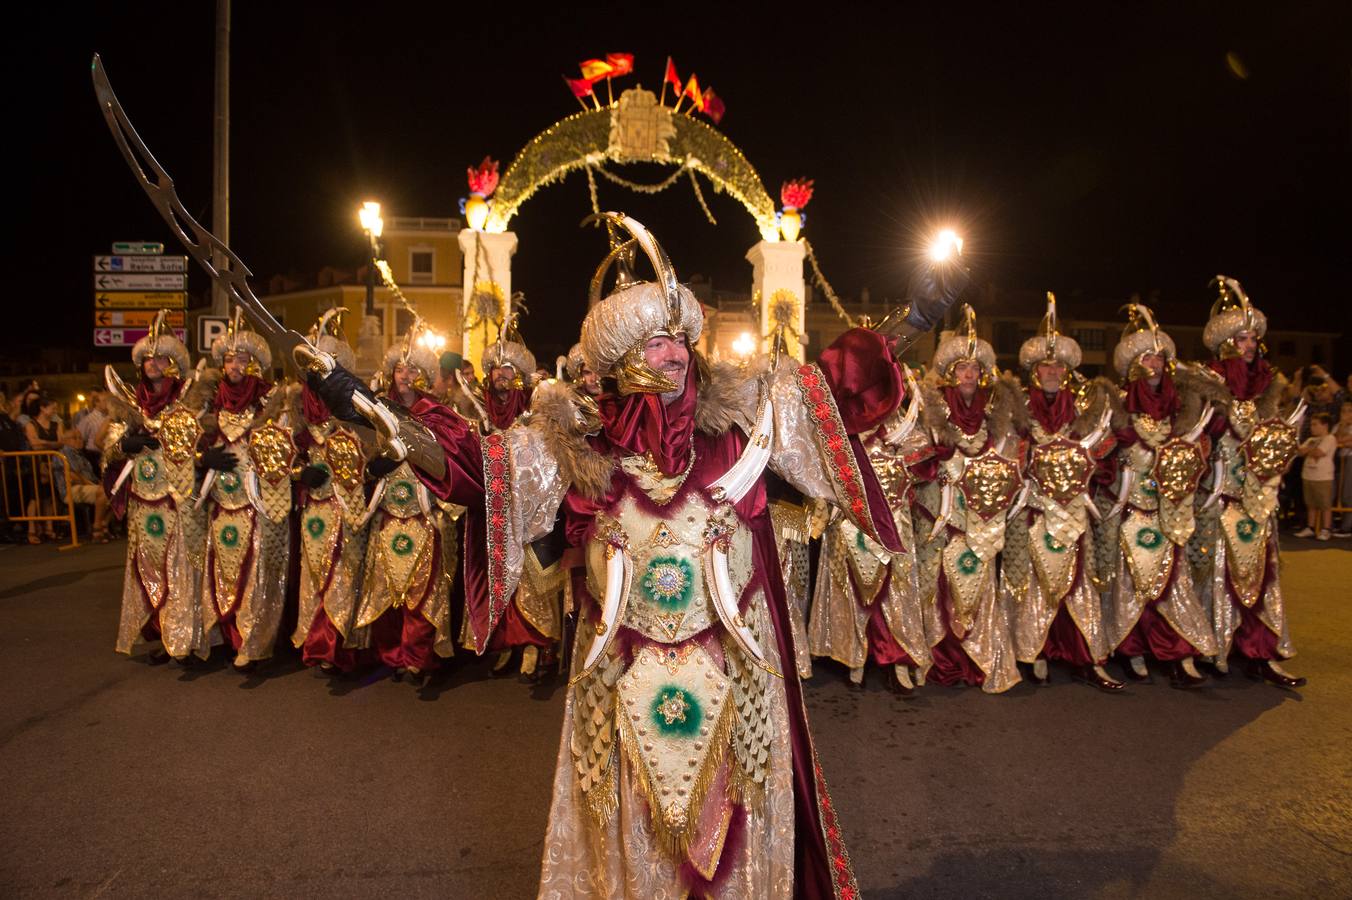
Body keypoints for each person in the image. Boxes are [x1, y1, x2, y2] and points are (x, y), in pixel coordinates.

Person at [308, 212, 966, 897]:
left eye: (680, 339)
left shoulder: (749, 425)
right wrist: (370, 413)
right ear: (619, 360)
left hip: (740, 681)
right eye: (656, 344)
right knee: (637, 840)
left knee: (737, 843)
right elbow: (476, 469)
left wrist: (912, 322)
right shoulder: (575, 447)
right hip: (620, 683)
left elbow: (838, 390)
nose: (676, 354)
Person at [1004, 293, 1123, 691]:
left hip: (1074, 513)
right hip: (1034, 512)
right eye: (1045, 366)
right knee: (1034, 582)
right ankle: (1031, 651)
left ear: (1067, 370)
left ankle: (1087, 656)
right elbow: (1004, 460)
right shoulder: (1017, 409)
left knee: (1079, 583)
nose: (1052, 371)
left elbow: (1104, 454)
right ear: (1035, 371)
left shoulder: (1085, 410)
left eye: (1057, 366)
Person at [1099, 304, 1223, 687]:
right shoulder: (1116, 408)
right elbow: (1099, 460)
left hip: (1171, 512)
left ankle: (1177, 652)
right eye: (1146, 357)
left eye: (1159, 357)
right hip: (1130, 509)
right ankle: (1132, 649)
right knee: (1131, 581)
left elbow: (1204, 442)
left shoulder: (1184, 410)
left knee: (1172, 583)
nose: (1153, 364)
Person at [1193, 275, 1304, 687]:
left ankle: (1261, 650)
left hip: (1258, 495)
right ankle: (1216, 645)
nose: (1249, 344)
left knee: (1261, 570)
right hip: (1219, 494)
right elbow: (1194, 442)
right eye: (1241, 339)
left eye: (1253, 338)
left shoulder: (1271, 385)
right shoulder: (1208, 384)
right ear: (1227, 344)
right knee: (1219, 570)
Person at [909, 305, 1024, 693]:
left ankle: (982, 660)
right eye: (961, 368)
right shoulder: (931, 408)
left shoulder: (997, 413)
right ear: (950, 373)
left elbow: (1008, 460)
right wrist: (937, 463)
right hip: (939, 514)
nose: (969, 374)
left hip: (981, 516)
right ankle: (934, 660)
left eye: (974, 368)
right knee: (935, 584)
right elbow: (916, 455)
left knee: (977, 583)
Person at [105, 310, 214, 663]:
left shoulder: (190, 399)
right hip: (143, 501)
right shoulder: (130, 404)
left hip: (180, 500)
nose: (153, 364)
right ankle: (167, 636)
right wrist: (125, 447)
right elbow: (108, 453)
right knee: (151, 570)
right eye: (148, 359)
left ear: (173, 363)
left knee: (184, 568)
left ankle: (189, 638)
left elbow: (205, 444)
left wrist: (197, 459)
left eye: (161, 358)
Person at [352, 325, 458, 684]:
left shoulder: (438, 415)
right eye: (401, 369)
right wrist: (373, 467)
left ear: (426, 376)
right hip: (387, 509)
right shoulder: (378, 412)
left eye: (414, 370)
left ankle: (418, 656)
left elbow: (450, 461)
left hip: (424, 509)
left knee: (422, 589)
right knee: (385, 585)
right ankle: (392, 654)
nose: (406, 376)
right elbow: (361, 458)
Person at [201, 307, 290, 672]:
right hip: (221, 503)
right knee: (222, 570)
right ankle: (223, 636)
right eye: (228, 360)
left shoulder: (273, 402)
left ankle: (253, 643)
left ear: (254, 363)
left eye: (241, 360)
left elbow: (285, 448)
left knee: (256, 574)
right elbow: (185, 443)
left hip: (259, 503)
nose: (234, 366)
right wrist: (201, 458)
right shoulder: (207, 402)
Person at [290, 309, 373, 673]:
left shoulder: (356, 406)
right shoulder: (293, 409)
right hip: (316, 508)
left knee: (347, 574)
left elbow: (375, 449)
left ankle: (344, 645)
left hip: (351, 506)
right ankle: (318, 644)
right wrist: (299, 473)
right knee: (316, 575)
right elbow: (272, 458)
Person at [55, 427, 112, 542]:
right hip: (71, 489)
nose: (79, 440)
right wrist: (94, 484)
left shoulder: (81, 455)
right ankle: (97, 528)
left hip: (87, 485)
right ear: (65, 440)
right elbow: (73, 476)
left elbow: (91, 476)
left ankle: (104, 523)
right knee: (103, 491)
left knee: (118, 492)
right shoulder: (65, 453)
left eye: (80, 438)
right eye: (74, 438)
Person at [1294, 413, 1336, 540]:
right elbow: (1299, 451)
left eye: (1315, 424)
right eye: (1312, 424)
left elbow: (1319, 453)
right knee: (1310, 503)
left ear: (1325, 425)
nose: (1312, 427)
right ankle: (1310, 527)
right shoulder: (1311, 439)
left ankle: (1326, 528)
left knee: (1325, 504)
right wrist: (1307, 450)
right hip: (1308, 475)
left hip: (1323, 476)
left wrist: (1307, 450)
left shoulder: (1330, 438)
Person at [1333, 401, 1352, 537]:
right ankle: (1340, 523)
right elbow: (1334, 439)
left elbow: (1348, 440)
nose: (1345, 414)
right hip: (1338, 460)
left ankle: (1347, 527)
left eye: (1349, 411)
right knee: (1337, 491)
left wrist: (1343, 441)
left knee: (1347, 493)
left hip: (1350, 460)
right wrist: (1343, 426)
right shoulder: (1337, 426)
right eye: (1343, 411)